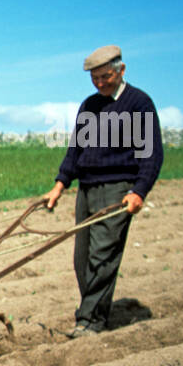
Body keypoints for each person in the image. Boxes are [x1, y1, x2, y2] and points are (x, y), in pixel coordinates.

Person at [42, 44, 163, 337]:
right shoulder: (90, 105)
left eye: (105, 77)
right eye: (94, 78)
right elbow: (76, 149)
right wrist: (59, 185)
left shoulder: (138, 103)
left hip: (118, 188)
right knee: (82, 258)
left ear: (121, 71)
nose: (99, 83)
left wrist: (139, 191)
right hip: (87, 188)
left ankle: (91, 321)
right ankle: (91, 312)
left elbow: (152, 154)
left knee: (103, 256)